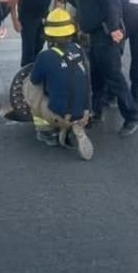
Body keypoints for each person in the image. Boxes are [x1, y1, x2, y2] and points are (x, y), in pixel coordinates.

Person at [63, 0, 138, 137]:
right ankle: (96, 112)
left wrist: (114, 27)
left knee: (113, 76)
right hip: (93, 36)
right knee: (96, 77)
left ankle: (132, 115)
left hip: (106, 34)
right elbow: (85, 4)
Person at [24, 8, 94, 161]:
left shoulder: (46, 56)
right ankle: (75, 125)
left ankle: (48, 131)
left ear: (48, 34)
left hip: (60, 114)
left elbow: (35, 80)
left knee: (29, 86)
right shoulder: (80, 50)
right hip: (85, 113)